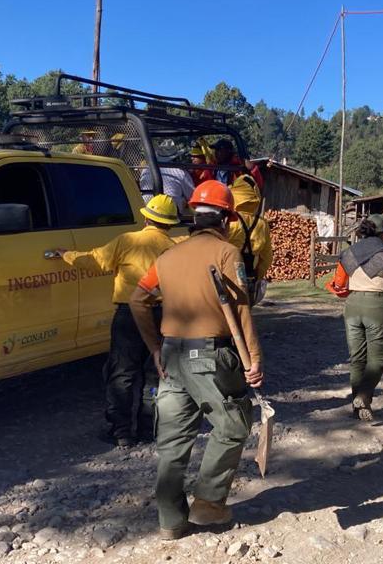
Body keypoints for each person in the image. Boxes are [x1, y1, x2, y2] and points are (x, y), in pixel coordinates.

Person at [129, 181, 263, 540]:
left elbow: (137, 300)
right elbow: (242, 309)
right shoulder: (227, 253)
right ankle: (208, 503)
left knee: (172, 442)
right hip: (210, 355)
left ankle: (171, 521)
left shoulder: (167, 257)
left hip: (172, 355)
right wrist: (253, 359)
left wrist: (155, 348)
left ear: (194, 216)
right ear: (227, 219)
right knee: (233, 423)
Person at [61, 195, 180, 447]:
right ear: (169, 223)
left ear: (146, 217)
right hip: (163, 315)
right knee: (155, 373)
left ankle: (121, 431)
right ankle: (149, 429)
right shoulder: (174, 248)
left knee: (122, 371)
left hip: (130, 315)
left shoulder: (128, 241)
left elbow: (94, 261)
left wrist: (66, 254)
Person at [327, 214, 383, 420]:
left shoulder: (349, 253)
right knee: (380, 358)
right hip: (377, 306)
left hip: (352, 305)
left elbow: (340, 282)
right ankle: (364, 395)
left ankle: (359, 405)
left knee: (357, 358)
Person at [226, 175, 272, 303]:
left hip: (228, 275)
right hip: (250, 277)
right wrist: (258, 275)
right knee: (245, 314)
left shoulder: (230, 221)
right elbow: (267, 257)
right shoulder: (262, 224)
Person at [200, 138, 265, 190]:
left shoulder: (239, 166)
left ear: (228, 152)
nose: (216, 153)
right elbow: (204, 181)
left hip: (234, 200)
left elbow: (258, 185)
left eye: (219, 150)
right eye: (216, 150)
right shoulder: (213, 166)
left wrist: (253, 169)